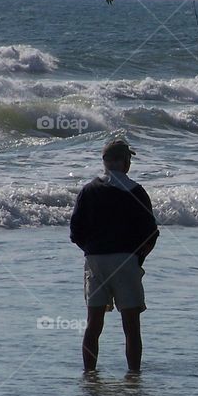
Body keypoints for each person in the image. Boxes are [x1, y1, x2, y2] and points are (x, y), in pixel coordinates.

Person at [70, 138, 159, 373]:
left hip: (95, 260)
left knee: (93, 325)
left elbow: (75, 232)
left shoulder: (88, 190)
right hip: (126, 260)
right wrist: (138, 258)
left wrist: (91, 252)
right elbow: (151, 232)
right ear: (125, 162)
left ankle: (89, 374)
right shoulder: (137, 191)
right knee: (131, 326)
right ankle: (134, 374)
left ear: (105, 162)